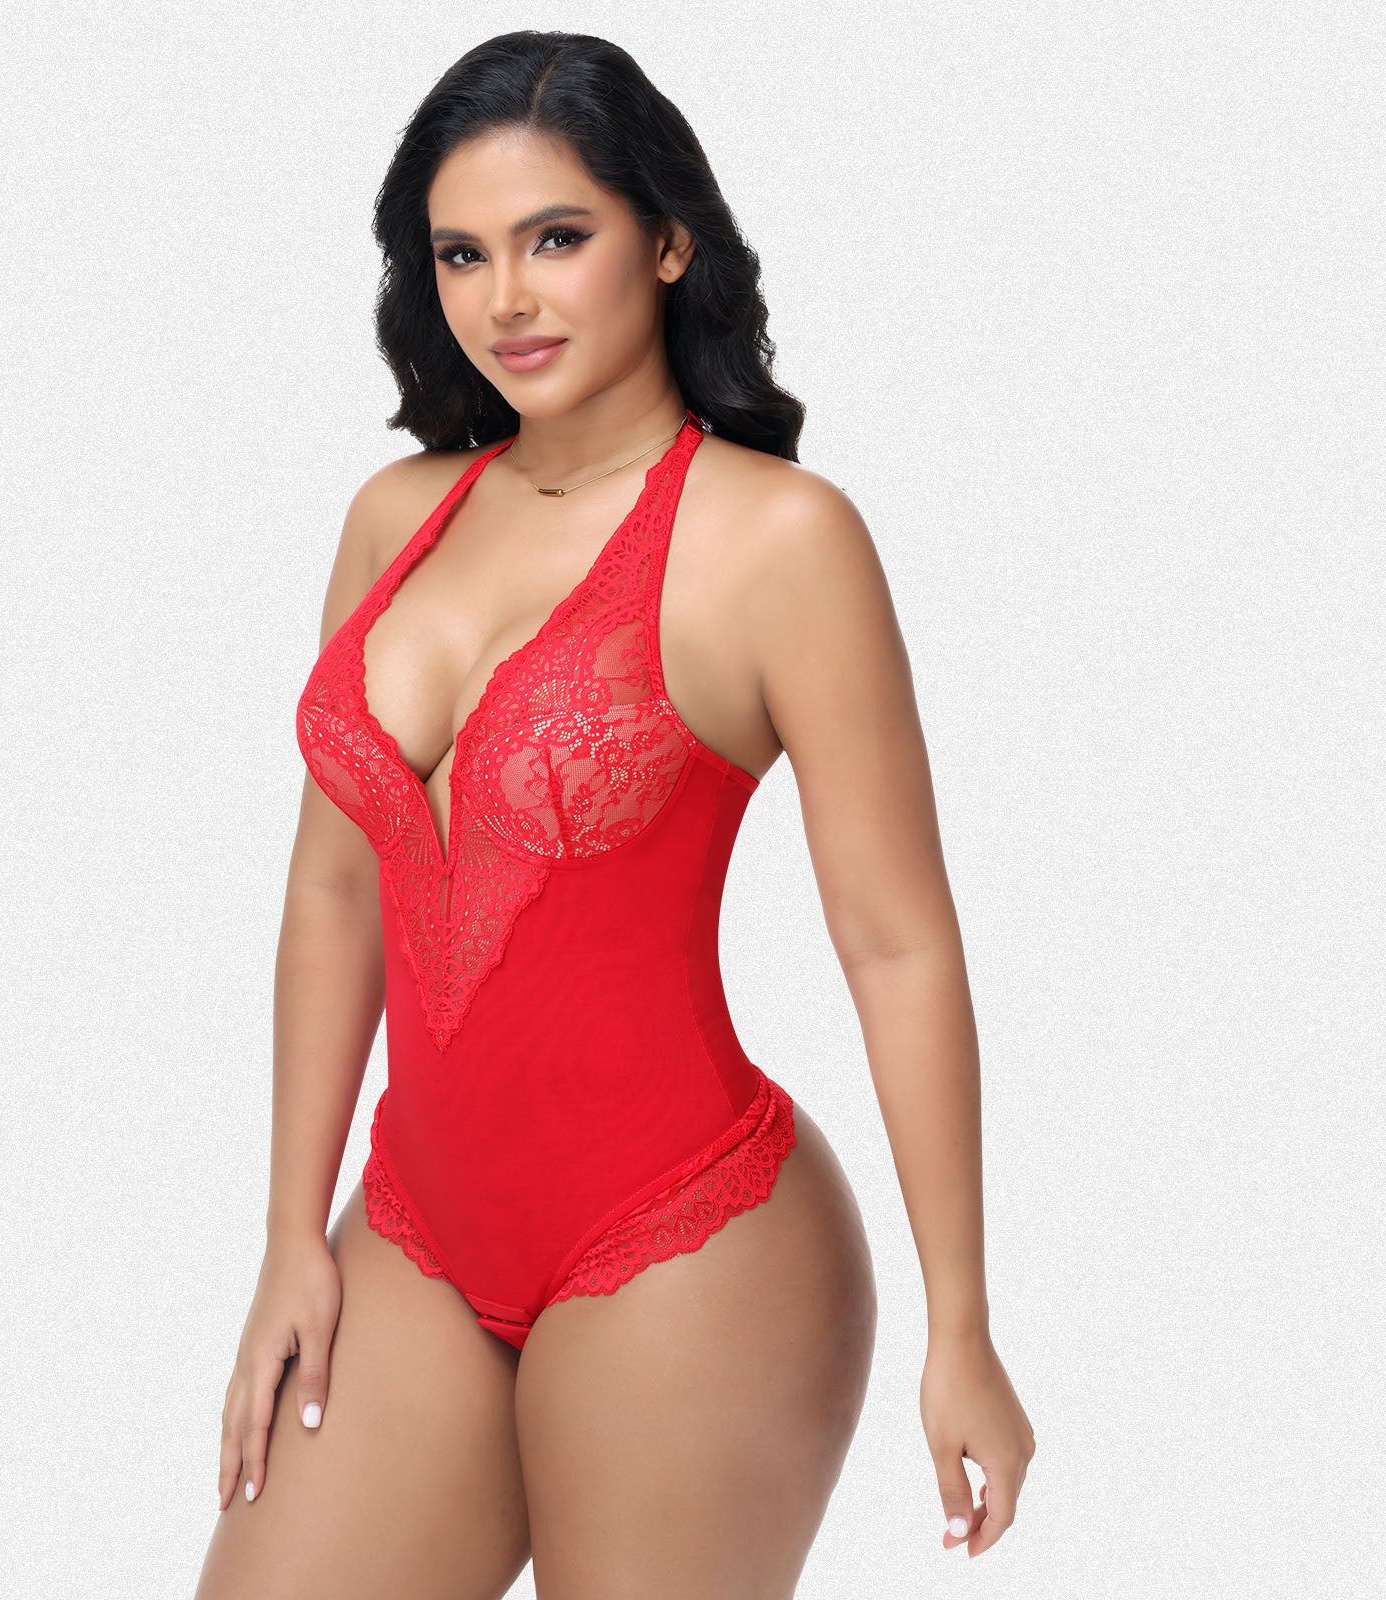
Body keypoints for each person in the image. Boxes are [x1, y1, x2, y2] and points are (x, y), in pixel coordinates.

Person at [195, 28, 1034, 1600]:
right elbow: (334, 891)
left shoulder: (780, 541)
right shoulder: (393, 517)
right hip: (418, 1234)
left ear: (667, 240)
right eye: (461, 254)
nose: (505, 299)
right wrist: (290, 1235)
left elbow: (896, 943)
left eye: (556, 238)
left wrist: (963, 1327)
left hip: (689, 1239)